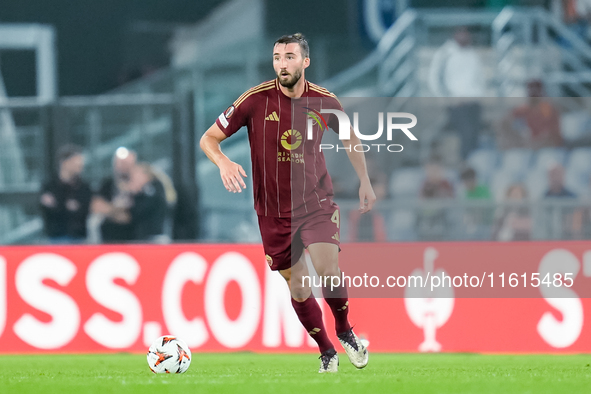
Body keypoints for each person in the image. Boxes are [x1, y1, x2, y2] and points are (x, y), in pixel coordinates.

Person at [200, 33, 375, 373]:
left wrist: (364, 181)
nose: (283, 64)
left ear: (305, 62)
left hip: (315, 203)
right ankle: (326, 349)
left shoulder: (325, 101)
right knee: (298, 285)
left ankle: (345, 330)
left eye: (290, 57)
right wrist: (222, 161)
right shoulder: (254, 100)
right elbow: (209, 138)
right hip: (272, 212)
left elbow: (350, 137)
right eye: (278, 58)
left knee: (328, 269)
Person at [428, 27, 485, 159]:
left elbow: (480, 79)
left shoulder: (472, 54)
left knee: (475, 134)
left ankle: (474, 162)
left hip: (473, 102)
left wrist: (478, 95)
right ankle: (465, 162)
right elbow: (435, 79)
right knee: (466, 133)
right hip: (456, 103)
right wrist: (447, 99)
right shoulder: (445, 53)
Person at [40, 144, 92, 244]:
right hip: (55, 237)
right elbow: (46, 211)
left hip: (78, 238)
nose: (80, 165)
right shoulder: (50, 185)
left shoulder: (83, 186)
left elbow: (84, 211)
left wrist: (58, 205)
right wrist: (67, 207)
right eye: (76, 161)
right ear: (64, 162)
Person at [91, 147, 136, 243]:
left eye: (126, 163)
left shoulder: (139, 185)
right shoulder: (107, 184)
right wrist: (119, 210)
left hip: (134, 236)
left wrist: (110, 210)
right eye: (120, 163)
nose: (123, 167)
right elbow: (97, 207)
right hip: (109, 236)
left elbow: (134, 215)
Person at [503, 79, 563, 149]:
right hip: (532, 143)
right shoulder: (525, 108)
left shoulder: (547, 108)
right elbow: (506, 120)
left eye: (535, 89)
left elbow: (550, 133)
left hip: (548, 144)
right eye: (530, 89)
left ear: (540, 91)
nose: (532, 92)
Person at [127, 163, 168, 242]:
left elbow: (145, 208)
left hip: (155, 237)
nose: (133, 178)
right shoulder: (138, 193)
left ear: (145, 175)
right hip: (138, 237)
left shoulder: (155, 186)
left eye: (136, 175)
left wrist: (137, 193)